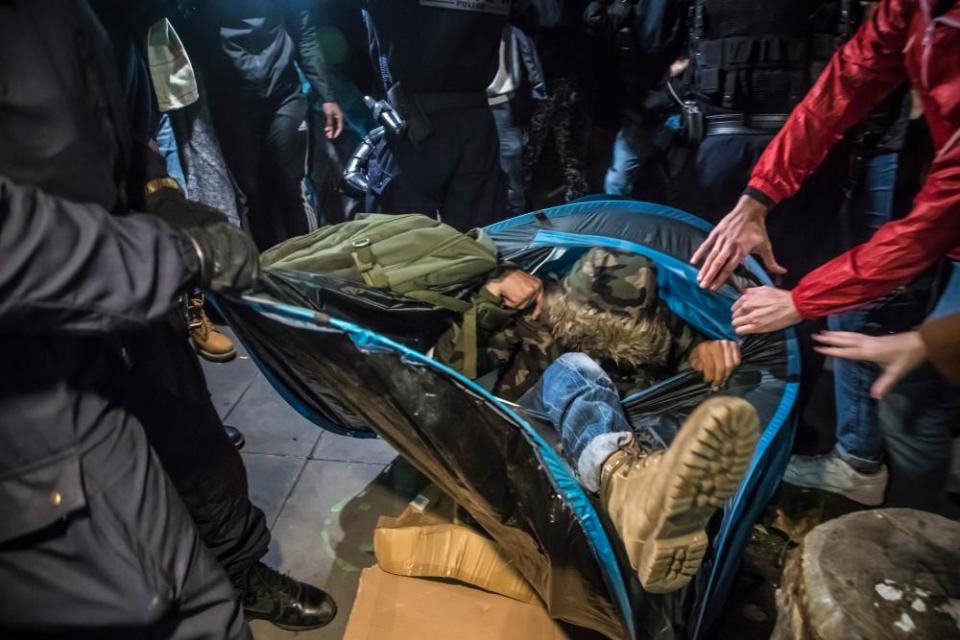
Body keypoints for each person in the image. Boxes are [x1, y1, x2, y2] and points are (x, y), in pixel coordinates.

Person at [0, 2, 335, 635]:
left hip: (125, 297)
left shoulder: (100, 19)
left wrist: (159, 193)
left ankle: (238, 567)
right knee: (140, 599)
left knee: (194, 453)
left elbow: (114, 131)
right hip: (34, 376)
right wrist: (172, 254)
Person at [691, 0, 960, 514]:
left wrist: (800, 301)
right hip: (943, 215)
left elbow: (936, 216)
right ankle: (865, 475)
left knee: (919, 395)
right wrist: (757, 198)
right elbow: (841, 86)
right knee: (891, 355)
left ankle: (924, 553)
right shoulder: (910, 9)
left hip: (946, 216)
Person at [433, 249, 758, 593]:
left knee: (666, 424)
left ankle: (648, 515)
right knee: (575, 369)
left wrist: (706, 354)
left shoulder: (659, 331)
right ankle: (628, 496)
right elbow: (438, 373)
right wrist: (489, 299)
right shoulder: (531, 314)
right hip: (534, 442)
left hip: (612, 458)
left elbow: (686, 358)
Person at [184, 0, 345, 250]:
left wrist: (328, 97)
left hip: (284, 96)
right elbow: (194, 39)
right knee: (252, 192)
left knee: (292, 186)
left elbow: (305, 35)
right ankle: (269, 272)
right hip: (232, 103)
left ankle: (314, 261)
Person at [346, 0, 509, 231]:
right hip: (475, 122)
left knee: (398, 246)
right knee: (477, 246)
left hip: (414, 128)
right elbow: (544, 17)